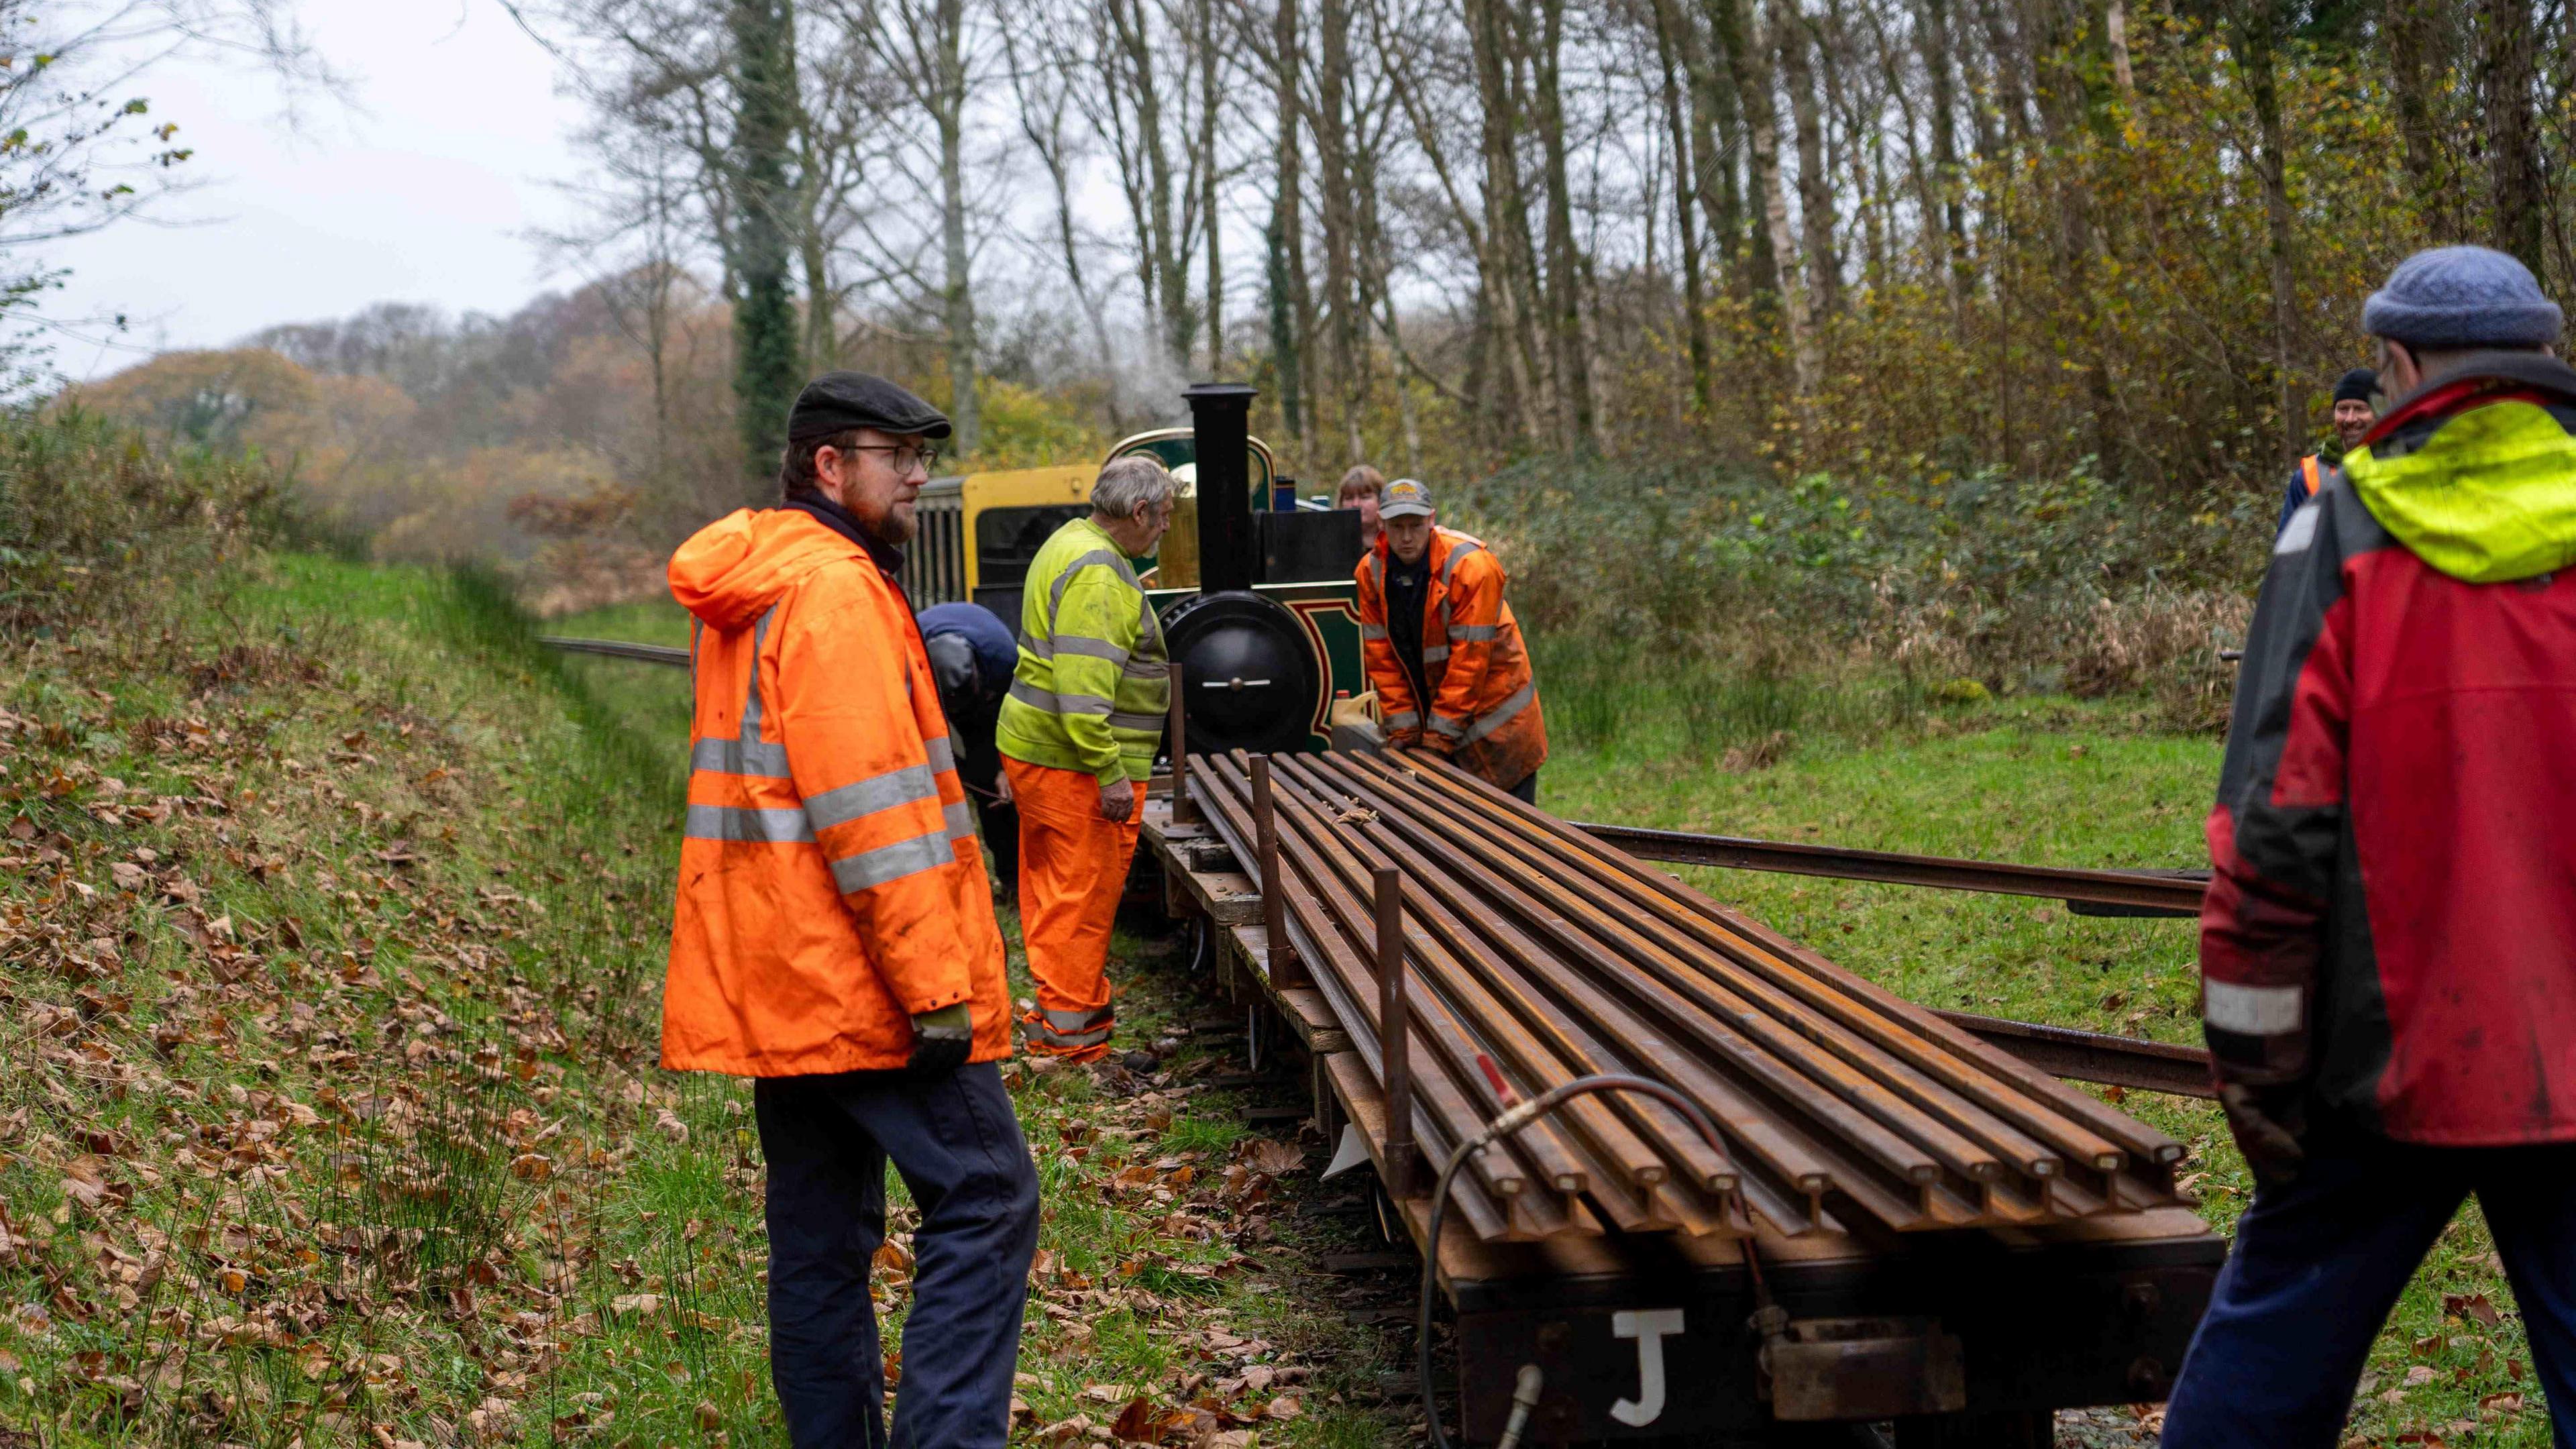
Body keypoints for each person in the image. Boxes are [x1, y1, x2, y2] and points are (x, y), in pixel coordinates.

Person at [2162, 246, 2576, 1448]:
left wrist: (2258, 1080)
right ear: (2545, 360)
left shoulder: (2338, 535)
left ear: (2396, 368)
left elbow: (2270, 842)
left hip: (2385, 1067)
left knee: (2251, 1398)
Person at [663, 372, 1039, 1449]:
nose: (919, 475)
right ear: (831, 466)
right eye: (899, 456)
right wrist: (936, 990)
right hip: (862, 985)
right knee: (988, 1202)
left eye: (923, 455)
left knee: (819, 1244)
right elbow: (872, 815)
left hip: (782, 985)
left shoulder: (758, 586)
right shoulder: (834, 592)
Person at [994, 457, 1177, 1061]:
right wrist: (1111, 773)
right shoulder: (1100, 575)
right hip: (1075, 767)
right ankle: (1073, 1051)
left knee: (1052, 893)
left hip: (1039, 754)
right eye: (1166, 516)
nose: (1168, 530)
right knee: (1081, 902)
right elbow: (1084, 694)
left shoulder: (1069, 540)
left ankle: (1056, 1024)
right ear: (1140, 511)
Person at [1353, 478, 1548, 801]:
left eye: (1415, 525)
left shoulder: (1471, 567)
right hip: (1439, 731)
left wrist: (1436, 742)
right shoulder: (1370, 572)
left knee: (1511, 837)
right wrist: (1406, 734)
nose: (1405, 537)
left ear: (1431, 519)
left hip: (1500, 728)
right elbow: (1382, 659)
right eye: (1396, 526)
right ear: (1381, 523)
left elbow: (1469, 665)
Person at [920, 600, 1022, 895]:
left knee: (997, 787)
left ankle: (1014, 878)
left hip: (997, 703)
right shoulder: (908, 660)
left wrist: (1005, 767)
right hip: (931, 685)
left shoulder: (1003, 659)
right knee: (976, 778)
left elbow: (1017, 717)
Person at [2275, 368, 2380, 537]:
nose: (2350, 419)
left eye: (2360, 409)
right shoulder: (2309, 476)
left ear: (2380, 411)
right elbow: (2290, 548)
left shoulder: (2401, 463)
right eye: (2343, 409)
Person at [1336, 463, 1387, 552]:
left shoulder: (1394, 540)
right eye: (1349, 498)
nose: (1356, 504)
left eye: (1365, 497)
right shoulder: (1334, 542)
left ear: (1380, 500)